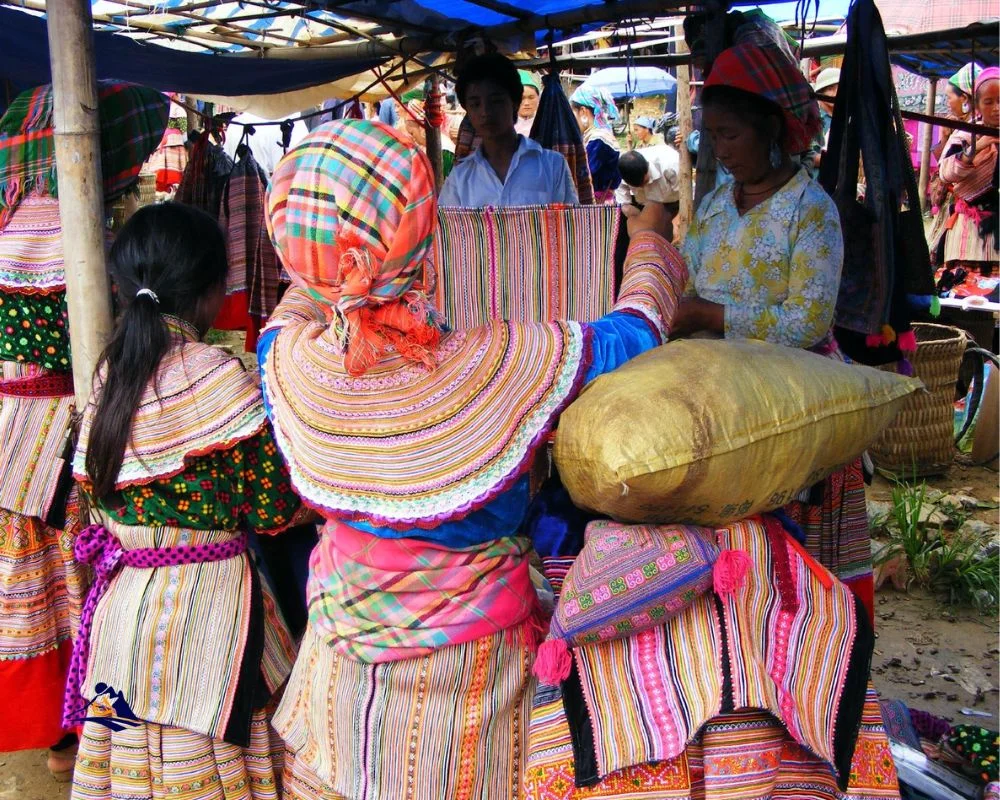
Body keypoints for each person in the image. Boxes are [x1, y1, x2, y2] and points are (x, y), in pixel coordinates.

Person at [258, 119, 685, 799]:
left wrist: (329, 267)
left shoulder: (285, 361)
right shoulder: (497, 365)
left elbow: (299, 301)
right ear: (426, 234)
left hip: (340, 673)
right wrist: (647, 245)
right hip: (472, 688)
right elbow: (635, 334)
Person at [69, 202, 307, 798]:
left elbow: (88, 496)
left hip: (125, 613)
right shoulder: (216, 378)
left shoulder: (108, 378)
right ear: (210, 292)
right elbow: (274, 509)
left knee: (138, 770)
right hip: (210, 618)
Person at [674, 42, 883, 623]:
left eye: (731, 135)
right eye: (712, 136)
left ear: (771, 128)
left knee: (798, 575)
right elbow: (687, 277)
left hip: (794, 408)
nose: (720, 149)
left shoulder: (810, 211)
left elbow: (808, 321)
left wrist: (708, 316)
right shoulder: (716, 205)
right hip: (720, 404)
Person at [0, 80, 167, 778]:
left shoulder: (7, 219)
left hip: (8, 425)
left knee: (22, 576)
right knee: (77, 571)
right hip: (65, 428)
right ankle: (75, 718)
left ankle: (40, 721)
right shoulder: (81, 233)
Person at [439, 53, 578, 207]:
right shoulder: (459, 180)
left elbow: (569, 226)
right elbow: (449, 230)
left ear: (514, 103)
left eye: (496, 101)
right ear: (467, 111)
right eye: (475, 104)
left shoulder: (553, 166)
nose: (485, 112)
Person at [937, 67, 999, 287]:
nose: (996, 108)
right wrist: (973, 151)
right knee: (969, 295)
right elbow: (944, 173)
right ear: (977, 105)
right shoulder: (965, 134)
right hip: (970, 233)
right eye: (989, 102)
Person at [570, 85, 622, 202]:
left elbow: (584, 175)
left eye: (572, 113)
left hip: (597, 205)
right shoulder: (598, 137)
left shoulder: (598, 141)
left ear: (583, 111)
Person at [222, 111, 309, 175]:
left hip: (236, 190)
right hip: (274, 192)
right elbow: (303, 166)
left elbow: (227, 163)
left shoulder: (235, 124)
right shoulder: (293, 123)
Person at [615, 144, 681, 219]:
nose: (643, 187)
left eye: (645, 182)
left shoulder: (671, 165)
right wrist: (634, 214)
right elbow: (624, 204)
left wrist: (679, 219)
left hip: (672, 202)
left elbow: (686, 196)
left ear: (647, 167)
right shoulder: (620, 174)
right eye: (638, 186)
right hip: (644, 205)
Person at [402, 98, 456, 179]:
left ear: (422, 128)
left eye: (412, 133)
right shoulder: (426, 145)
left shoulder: (444, 150)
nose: (412, 138)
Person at [516, 69, 541, 136]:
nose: (526, 103)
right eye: (522, 98)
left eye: (531, 97)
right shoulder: (507, 123)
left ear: (538, 98)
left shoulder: (543, 121)